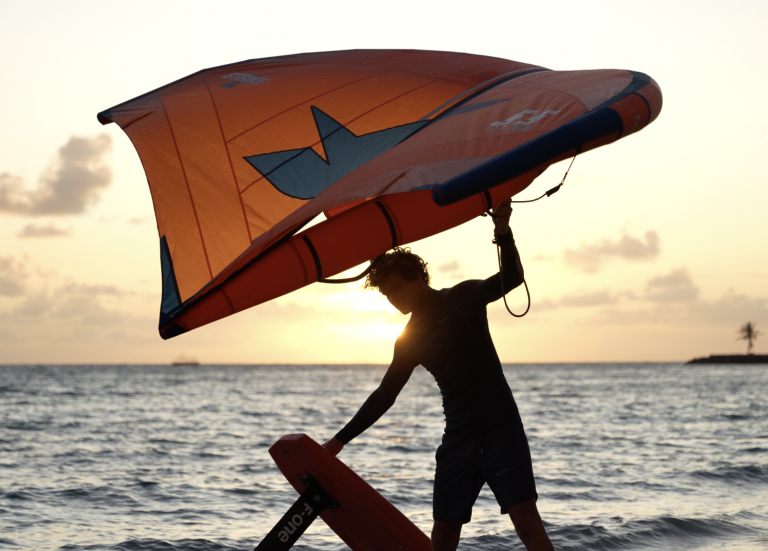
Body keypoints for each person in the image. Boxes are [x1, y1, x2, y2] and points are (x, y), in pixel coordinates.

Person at [323, 199, 555, 551]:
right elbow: (385, 395)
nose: (391, 299)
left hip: (500, 430)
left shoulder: (463, 298)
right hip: (458, 438)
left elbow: (512, 278)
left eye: (396, 288)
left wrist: (503, 231)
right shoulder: (408, 340)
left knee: (525, 520)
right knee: (443, 534)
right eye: (386, 294)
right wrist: (339, 441)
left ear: (418, 279)